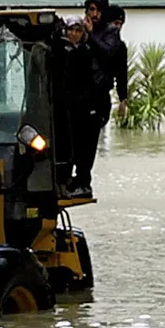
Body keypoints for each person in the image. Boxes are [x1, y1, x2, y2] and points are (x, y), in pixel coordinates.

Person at [68, 3, 129, 198]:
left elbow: (113, 60)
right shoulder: (82, 34)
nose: (93, 14)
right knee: (73, 141)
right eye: (90, 10)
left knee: (87, 142)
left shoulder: (111, 37)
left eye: (97, 10)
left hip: (96, 100)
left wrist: (123, 99)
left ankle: (84, 182)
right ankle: (72, 179)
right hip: (77, 99)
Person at [51, 16, 100, 197]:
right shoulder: (58, 49)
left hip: (82, 108)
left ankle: (82, 182)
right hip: (62, 107)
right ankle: (64, 180)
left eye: (78, 31)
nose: (74, 34)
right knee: (64, 146)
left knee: (82, 148)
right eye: (71, 30)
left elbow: (92, 80)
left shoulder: (86, 52)